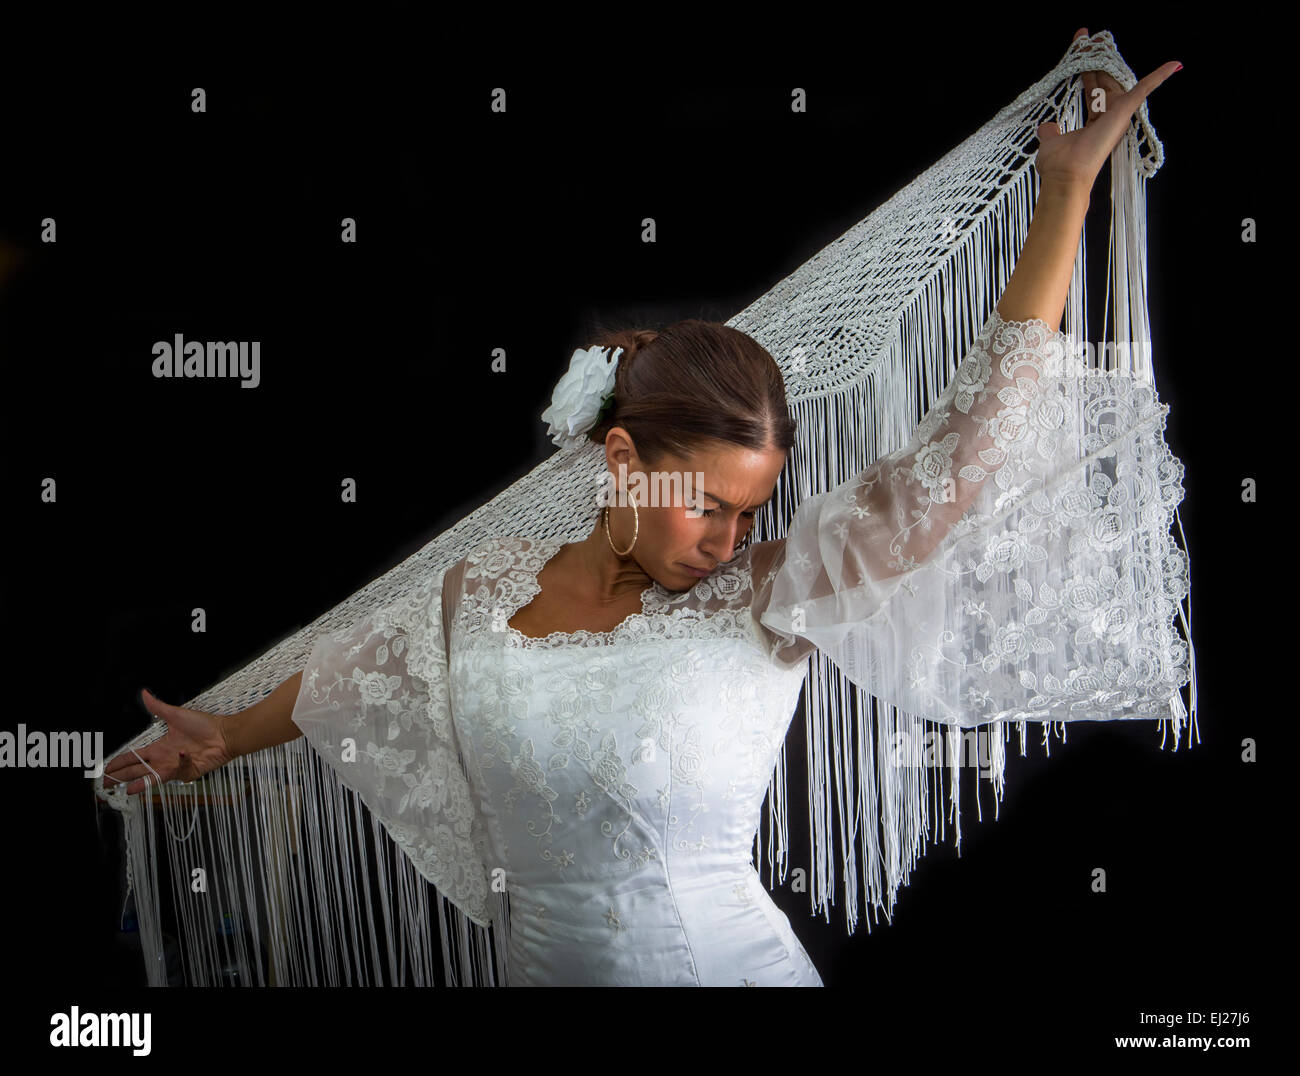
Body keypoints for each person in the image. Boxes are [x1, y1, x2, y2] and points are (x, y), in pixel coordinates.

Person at [103, 31, 1184, 986]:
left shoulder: (766, 592)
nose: (728, 538)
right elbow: (343, 681)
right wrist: (220, 738)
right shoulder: (473, 594)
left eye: (751, 511)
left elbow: (953, 469)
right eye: (708, 503)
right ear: (622, 458)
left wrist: (1065, 197)